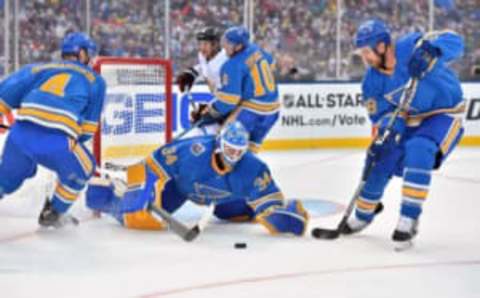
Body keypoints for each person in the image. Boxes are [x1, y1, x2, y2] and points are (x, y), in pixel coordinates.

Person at [343, 20, 465, 248]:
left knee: (419, 148)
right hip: (408, 120)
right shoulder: (371, 82)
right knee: (380, 157)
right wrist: (387, 130)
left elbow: (456, 41)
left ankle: (409, 217)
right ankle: (363, 213)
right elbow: (380, 114)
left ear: (381, 46)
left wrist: (433, 50)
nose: (364, 58)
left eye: (367, 52)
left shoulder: (412, 46)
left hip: (443, 113)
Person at [86, 121, 309, 236]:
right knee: (140, 219)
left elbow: (268, 198)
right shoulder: (192, 151)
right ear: (219, 144)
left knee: (247, 215)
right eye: (229, 150)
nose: (234, 157)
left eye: (239, 152)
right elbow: (152, 164)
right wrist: (143, 190)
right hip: (182, 188)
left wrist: (280, 216)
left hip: (223, 201)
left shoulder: (253, 167)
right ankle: (105, 196)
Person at [0, 32, 106, 227]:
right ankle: (53, 213)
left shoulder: (36, 68)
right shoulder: (95, 81)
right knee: (85, 168)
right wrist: (63, 153)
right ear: (82, 54)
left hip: (19, 135)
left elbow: (3, 95)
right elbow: (87, 131)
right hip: (57, 142)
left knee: (6, 181)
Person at [194, 25, 280, 153]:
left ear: (238, 46)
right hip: (273, 111)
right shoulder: (257, 50)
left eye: (228, 43)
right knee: (249, 151)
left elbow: (229, 102)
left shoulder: (232, 65)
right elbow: (272, 65)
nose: (224, 46)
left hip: (251, 112)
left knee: (224, 145)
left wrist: (210, 113)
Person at [176, 26, 227, 94]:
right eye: (200, 44)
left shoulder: (225, 61)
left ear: (215, 45)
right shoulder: (203, 55)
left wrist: (214, 104)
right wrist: (191, 74)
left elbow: (230, 93)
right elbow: (204, 67)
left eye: (205, 44)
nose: (202, 48)